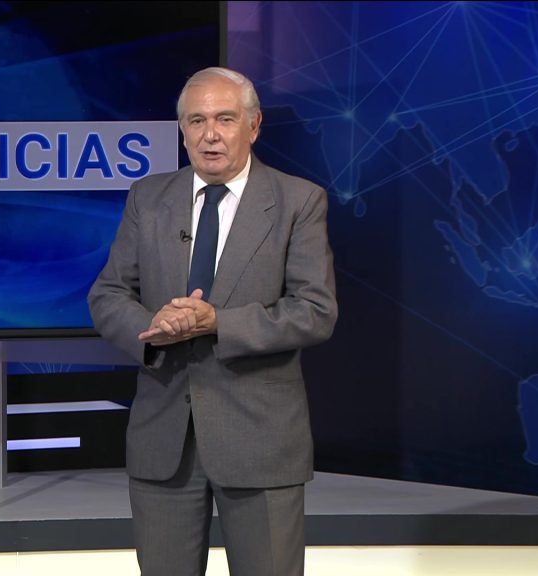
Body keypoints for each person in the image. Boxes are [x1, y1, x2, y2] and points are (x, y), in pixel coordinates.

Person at [87, 66, 338, 576]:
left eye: (225, 119)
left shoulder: (298, 201)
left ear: (254, 125)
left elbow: (315, 311)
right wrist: (152, 326)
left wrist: (219, 322)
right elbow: (108, 294)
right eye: (197, 121)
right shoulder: (148, 197)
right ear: (182, 130)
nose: (210, 135)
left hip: (261, 439)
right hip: (164, 440)